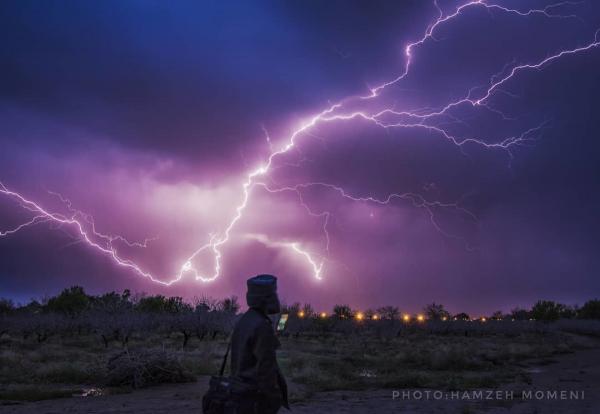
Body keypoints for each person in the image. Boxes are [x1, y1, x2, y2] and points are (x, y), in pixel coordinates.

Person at [230, 274, 289, 413]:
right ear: (265, 298)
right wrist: (274, 398)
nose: (276, 298)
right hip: (255, 398)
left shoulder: (245, 320)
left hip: (240, 393)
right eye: (273, 294)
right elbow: (266, 368)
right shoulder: (261, 325)